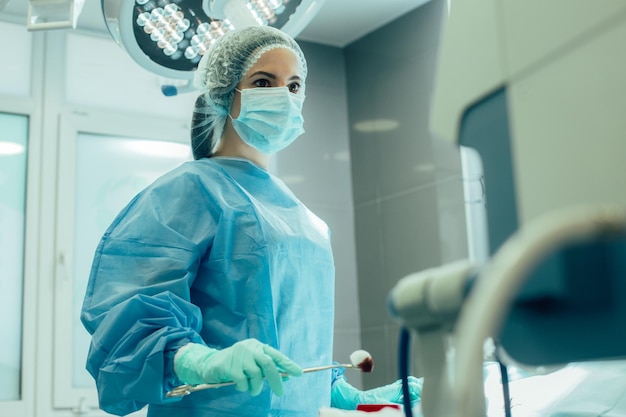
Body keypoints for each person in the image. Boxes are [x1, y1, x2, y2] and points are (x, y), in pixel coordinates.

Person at [80, 25, 423, 417]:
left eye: (294, 86)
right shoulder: (190, 191)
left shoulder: (303, 219)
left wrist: (338, 393)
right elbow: (128, 317)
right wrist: (202, 361)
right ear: (224, 93)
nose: (283, 96)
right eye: (264, 82)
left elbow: (292, 333)